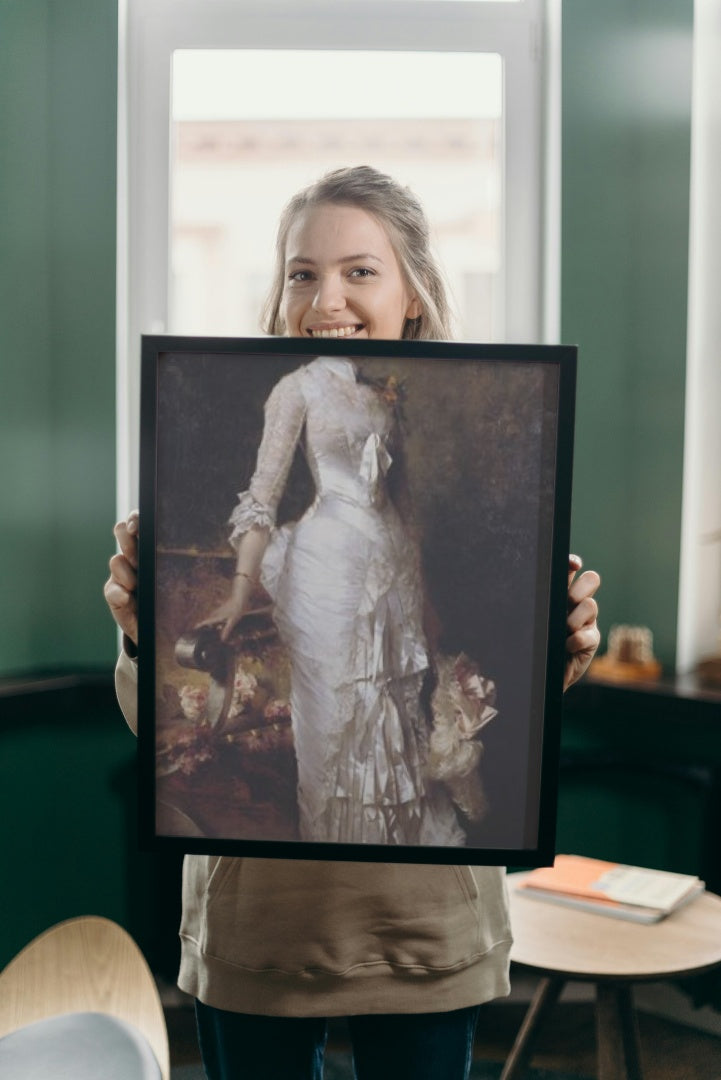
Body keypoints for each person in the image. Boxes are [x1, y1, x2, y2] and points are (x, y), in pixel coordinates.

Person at [105, 166, 601, 1080]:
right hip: (263, 928)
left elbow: (427, 548)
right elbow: (256, 502)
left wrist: (552, 651)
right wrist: (205, 608)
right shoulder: (291, 387)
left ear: (412, 291)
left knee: (399, 719)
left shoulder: (400, 400)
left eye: (358, 271)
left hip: (425, 930)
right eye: (302, 272)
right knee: (332, 724)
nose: (324, 297)